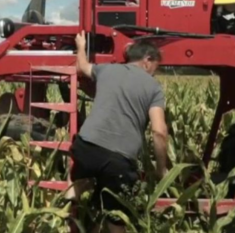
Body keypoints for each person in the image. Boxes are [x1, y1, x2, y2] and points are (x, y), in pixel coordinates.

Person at [66, 31, 169, 233]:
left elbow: (83, 67)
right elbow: (159, 132)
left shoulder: (107, 70)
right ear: (148, 60)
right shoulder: (153, 87)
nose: (155, 72)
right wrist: (161, 169)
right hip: (118, 161)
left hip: (85, 147)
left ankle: (69, 205)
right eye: (156, 67)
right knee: (117, 220)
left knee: (77, 181)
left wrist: (80, 45)